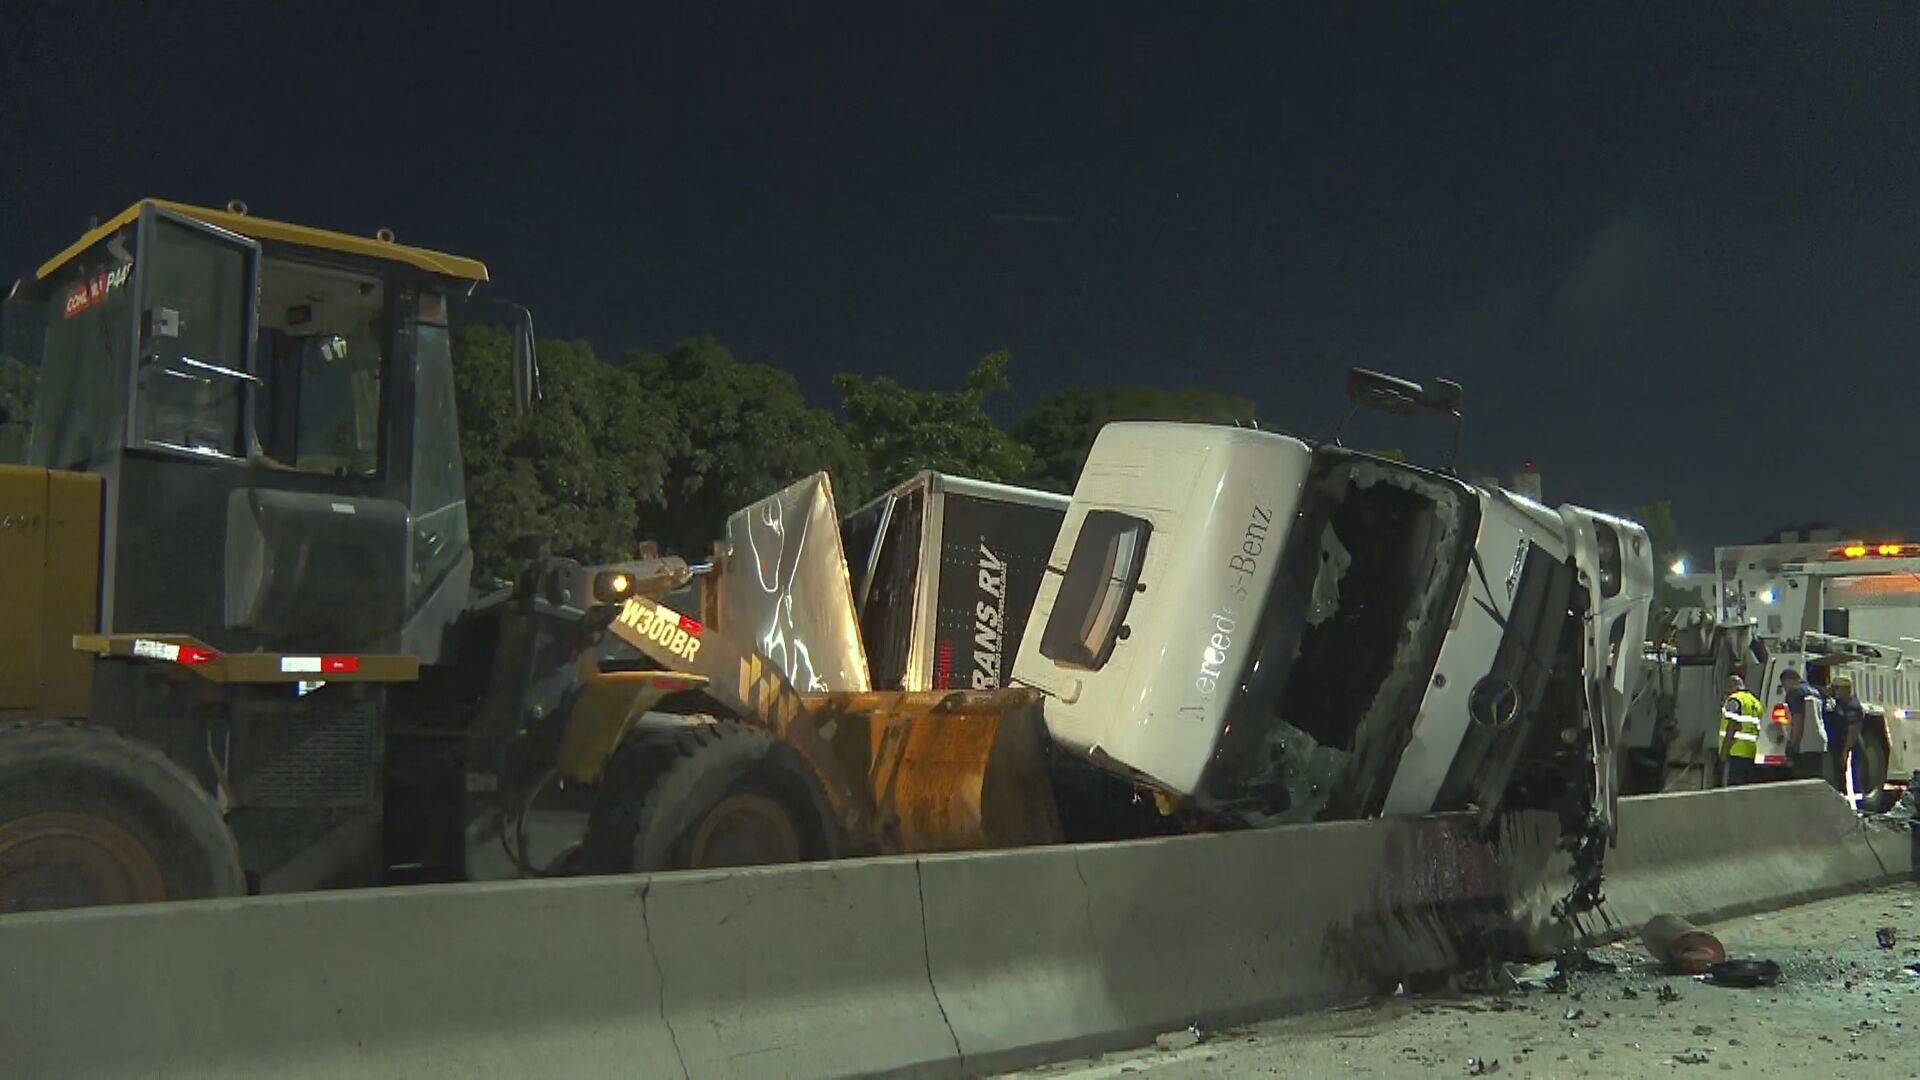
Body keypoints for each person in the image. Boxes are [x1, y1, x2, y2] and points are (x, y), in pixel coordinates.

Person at [1718, 675, 1766, 786]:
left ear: (1733, 686)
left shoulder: (1734, 700)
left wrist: (1724, 750)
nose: (1727, 692)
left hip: (1735, 751)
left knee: (1732, 789)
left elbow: (1734, 725)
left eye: (1728, 688)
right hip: (1751, 752)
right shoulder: (1755, 702)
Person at [1822, 674, 1865, 796]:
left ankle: (1860, 802)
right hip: (1840, 742)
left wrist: (1845, 751)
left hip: (1851, 742)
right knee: (1839, 772)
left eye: (1837, 688)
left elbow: (1853, 731)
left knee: (1855, 773)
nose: (1835, 691)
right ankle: (1841, 793)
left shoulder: (1852, 706)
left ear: (1846, 689)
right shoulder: (1840, 702)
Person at [1779, 669, 1826, 781]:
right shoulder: (1815, 691)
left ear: (1788, 680)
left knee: (1802, 781)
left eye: (1784, 685)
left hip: (1804, 743)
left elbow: (1798, 719)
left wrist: (1793, 744)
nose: (1785, 689)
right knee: (1815, 779)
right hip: (1819, 741)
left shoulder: (1795, 692)